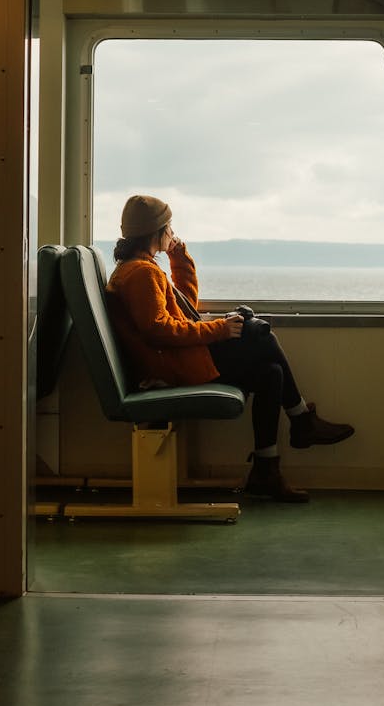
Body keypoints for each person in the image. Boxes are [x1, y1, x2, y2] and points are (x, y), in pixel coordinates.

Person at [105, 194, 356, 503]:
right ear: (155, 233)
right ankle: (302, 421)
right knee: (259, 333)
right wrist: (219, 329)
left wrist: (179, 258)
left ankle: (267, 470)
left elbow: (184, 310)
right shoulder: (142, 274)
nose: (173, 233)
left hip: (176, 360)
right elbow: (159, 330)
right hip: (172, 368)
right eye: (169, 227)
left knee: (270, 373)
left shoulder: (139, 269)